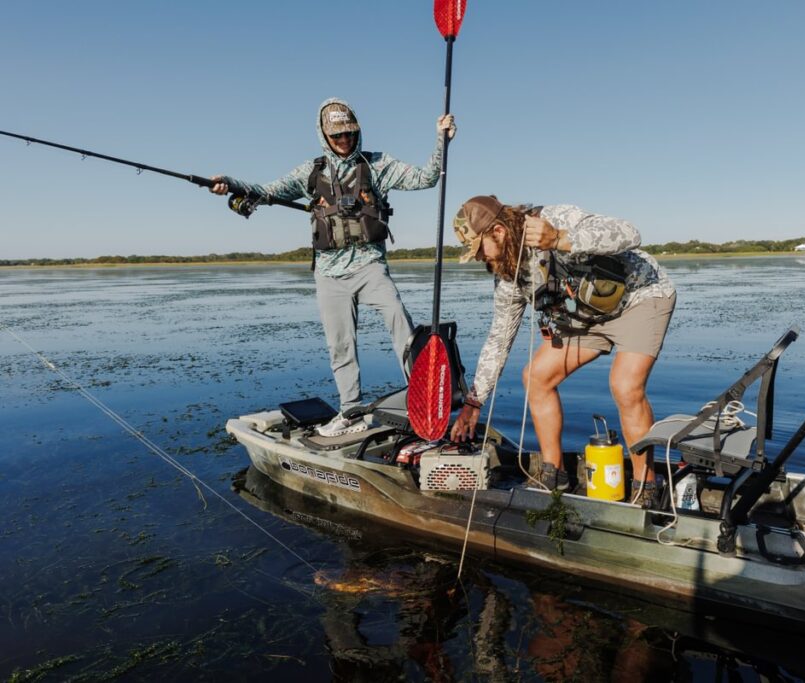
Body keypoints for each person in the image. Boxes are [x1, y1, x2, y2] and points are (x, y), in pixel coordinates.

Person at [210, 98, 456, 436]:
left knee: (401, 323)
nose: (344, 141)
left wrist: (441, 141)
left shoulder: (378, 165)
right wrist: (229, 183)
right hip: (329, 274)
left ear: (357, 132)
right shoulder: (310, 172)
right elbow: (266, 192)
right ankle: (351, 412)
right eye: (337, 135)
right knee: (340, 345)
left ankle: (423, 403)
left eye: (349, 134)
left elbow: (427, 178)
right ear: (325, 136)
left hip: (370, 265)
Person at [448, 196, 676, 508]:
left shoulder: (554, 218)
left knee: (625, 385)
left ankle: (646, 486)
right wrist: (475, 401)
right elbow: (498, 339)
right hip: (583, 317)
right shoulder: (508, 279)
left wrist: (559, 239)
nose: (478, 259)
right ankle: (553, 473)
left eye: (478, 249)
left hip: (640, 296)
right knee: (537, 376)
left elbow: (629, 233)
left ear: (498, 232)